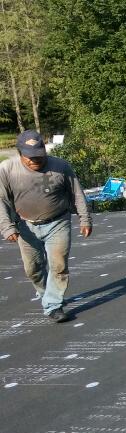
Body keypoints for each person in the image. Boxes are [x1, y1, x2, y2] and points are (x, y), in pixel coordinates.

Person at [0, 130, 93, 323]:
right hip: (25, 226)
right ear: (20, 153)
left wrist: (85, 219)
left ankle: (53, 305)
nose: (35, 160)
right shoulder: (7, 170)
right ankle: (46, 295)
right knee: (32, 269)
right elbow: (1, 200)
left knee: (59, 265)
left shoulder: (61, 166)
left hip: (58, 222)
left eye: (39, 155)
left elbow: (77, 193)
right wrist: (6, 226)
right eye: (30, 157)